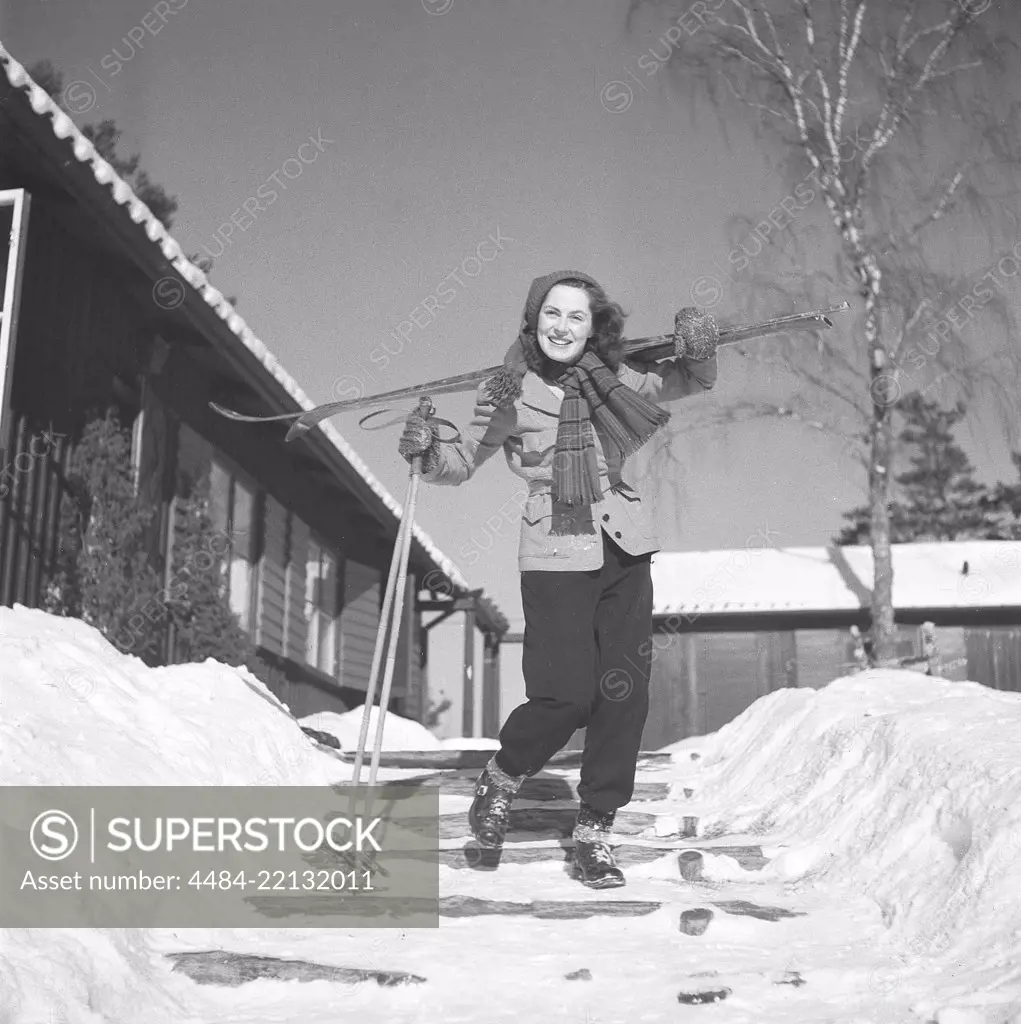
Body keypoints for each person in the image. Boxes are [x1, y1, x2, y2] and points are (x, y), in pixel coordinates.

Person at [398, 270, 719, 888]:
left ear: (594, 326)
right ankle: (502, 776)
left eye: (577, 316)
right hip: (554, 545)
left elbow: (690, 380)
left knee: (624, 693)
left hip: (623, 544)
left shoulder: (620, 379)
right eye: (552, 313)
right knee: (565, 694)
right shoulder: (508, 391)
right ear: (533, 319)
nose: (563, 326)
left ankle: (596, 829)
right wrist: (428, 449)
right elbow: (462, 459)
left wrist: (699, 347)